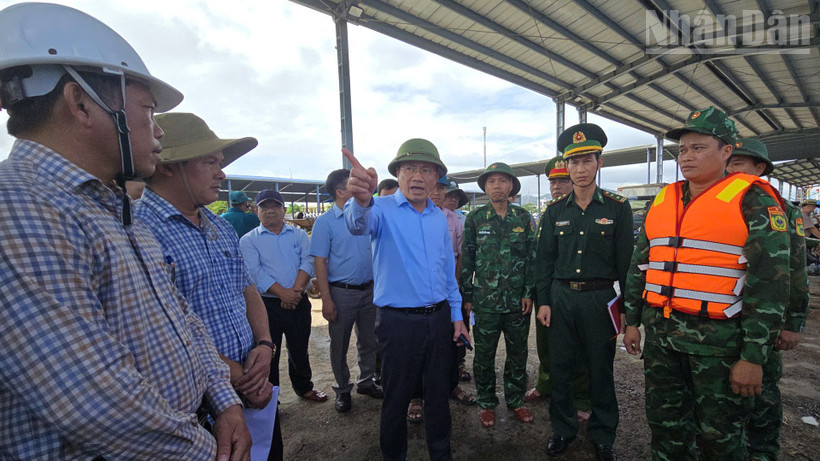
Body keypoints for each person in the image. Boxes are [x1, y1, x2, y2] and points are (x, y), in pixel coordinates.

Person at [0, 3, 250, 460]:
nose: (157, 132)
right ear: (80, 103)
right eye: (149, 111)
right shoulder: (18, 207)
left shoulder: (109, 208)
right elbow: (93, 404)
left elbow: (182, 321)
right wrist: (205, 450)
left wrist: (226, 402)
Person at [622, 107, 791, 460]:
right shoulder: (664, 199)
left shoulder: (754, 199)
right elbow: (641, 264)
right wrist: (632, 320)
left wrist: (754, 356)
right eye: (683, 150)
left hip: (719, 348)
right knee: (666, 428)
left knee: (721, 437)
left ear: (726, 151)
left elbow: (770, 284)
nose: (687, 157)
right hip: (663, 342)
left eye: (698, 148)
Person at [135, 112, 286, 460]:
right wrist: (241, 376)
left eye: (220, 162)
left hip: (253, 375)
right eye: (210, 162)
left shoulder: (220, 227)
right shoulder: (139, 231)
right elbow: (160, 330)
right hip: (197, 399)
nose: (221, 173)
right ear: (169, 166)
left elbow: (246, 289)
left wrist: (264, 344)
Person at [343, 139, 469, 461]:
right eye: (409, 168)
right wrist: (360, 199)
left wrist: (456, 317)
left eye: (426, 170)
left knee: (438, 396)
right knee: (396, 399)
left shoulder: (439, 218)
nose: (417, 176)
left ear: (436, 177)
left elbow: (446, 272)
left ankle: (441, 454)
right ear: (397, 174)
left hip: (439, 318)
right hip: (398, 323)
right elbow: (358, 223)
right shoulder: (380, 209)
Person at [535, 124, 632, 461]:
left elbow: (626, 267)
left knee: (600, 369)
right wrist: (543, 302)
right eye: (573, 162)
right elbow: (544, 261)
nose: (579, 168)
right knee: (561, 367)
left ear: (599, 163)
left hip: (599, 299)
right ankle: (562, 429)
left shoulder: (618, 208)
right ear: (567, 166)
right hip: (561, 299)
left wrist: (630, 317)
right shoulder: (554, 212)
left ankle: (603, 434)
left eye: (586, 160)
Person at [725, 138, 809, 461]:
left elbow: (795, 271)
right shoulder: (719, 206)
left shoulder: (781, 210)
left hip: (765, 322)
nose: (730, 171)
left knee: (763, 401)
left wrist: (792, 323)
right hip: (725, 324)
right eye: (729, 164)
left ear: (759, 169)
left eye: (738, 164)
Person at [461, 162, 536, 428]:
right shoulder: (475, 218)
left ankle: (515, 400)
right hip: (486, 303)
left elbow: (531, 258)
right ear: (485, 187)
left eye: (502, 181)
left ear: (511, 186)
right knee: (484, 356)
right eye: (491, 181)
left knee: (518, 354)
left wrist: (528, 292)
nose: (496, 186)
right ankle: (486, 402)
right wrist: (467, 297)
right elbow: (467, 260)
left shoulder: (523, 217)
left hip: (518, 303)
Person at [240, 189, 328, 403]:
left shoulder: (298, 235)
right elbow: (255, 272)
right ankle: (271, 395)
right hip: (266, 306)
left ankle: (304, 387)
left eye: (274, 206)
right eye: (264, 207)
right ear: (256, 211)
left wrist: (295, 292)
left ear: (284, 209)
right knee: (268, 352)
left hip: (298, 301)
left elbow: (308, 261)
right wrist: (283, 294)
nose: (270, 211)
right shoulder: (249, 240)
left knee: (299, 348)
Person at [310, 168, 383, 413]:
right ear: (342, 192)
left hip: (370, 290)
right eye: (354, 184)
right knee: (339, 344)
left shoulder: (368, 215)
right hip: (342, 292)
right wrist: (326, 299)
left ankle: (366, 381)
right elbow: (319, 262)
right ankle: (343, 389)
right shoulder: (325, 222)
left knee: (369, 340)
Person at [526, 157, 592, 423]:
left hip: (577, 290)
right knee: (546, 341)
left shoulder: (583, 211)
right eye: (553, 182)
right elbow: (540, 256)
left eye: (562, 180)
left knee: (579, 346)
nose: (556, 187)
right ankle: (546, 383)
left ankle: (581, 395)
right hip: (548, 289)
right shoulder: (549, 213)